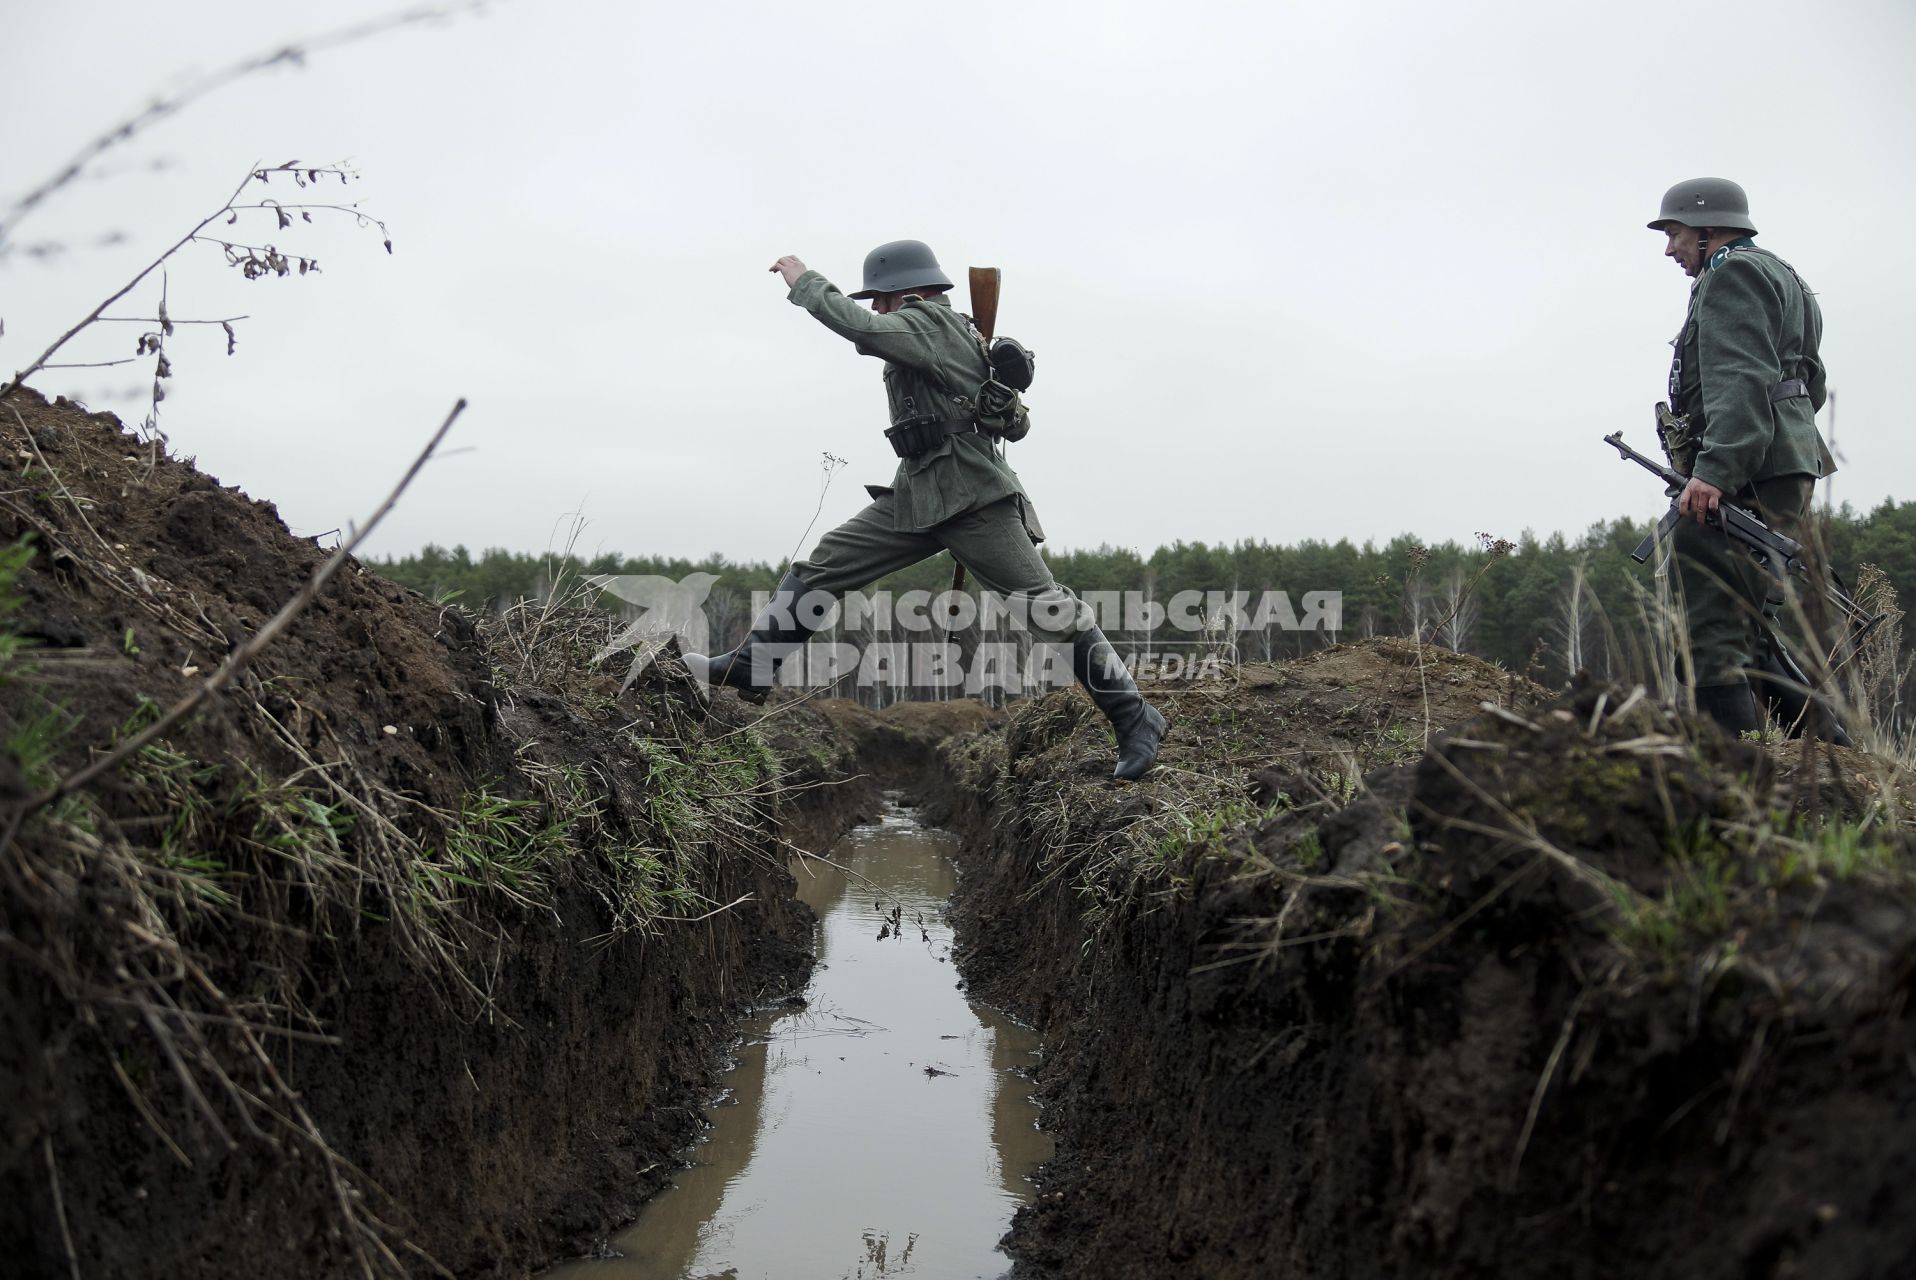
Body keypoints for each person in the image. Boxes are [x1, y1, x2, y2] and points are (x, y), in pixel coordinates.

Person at [683, 240, 1168, 780]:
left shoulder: (930, 322)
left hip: (971, 499)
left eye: (878, 299)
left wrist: (805, 281)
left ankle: (1135, 717)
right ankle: (751, 669)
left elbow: (863, 332)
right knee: (827, 564)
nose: (874, 309)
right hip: (918, 493)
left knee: (1048, 611)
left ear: (900, 292)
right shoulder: (957, 330)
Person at [1647, 177, 1835, 734]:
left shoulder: (1730, 274)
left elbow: (1741, 378)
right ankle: (1833, 758)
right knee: (1745, 622)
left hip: (1748, 467)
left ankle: (1727, 774)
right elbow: (1809, 382)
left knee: (1708, 619)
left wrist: (1715, 471)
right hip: (1779, 463)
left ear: (1709, 230)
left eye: (1675, 233)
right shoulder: (1784, 275)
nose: (1669, 248)